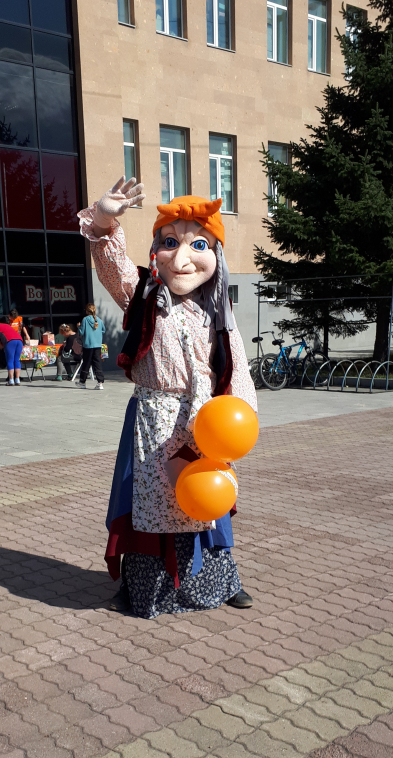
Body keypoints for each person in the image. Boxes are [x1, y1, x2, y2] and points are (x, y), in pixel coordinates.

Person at [78, 176, 258, 619]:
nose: (181, 258)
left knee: (207, 500)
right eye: (170, 243)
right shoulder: (143, 295)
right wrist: (103, 222)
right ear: (156, 249)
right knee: (151, 502)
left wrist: (241, 416)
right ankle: (145, 590)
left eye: (198, 245)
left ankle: (222, 581)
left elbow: (237, 366)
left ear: (216, 255)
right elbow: (112, 267)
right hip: (154, 422)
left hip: (206, 423)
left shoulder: (218, 311)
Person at [75, 304, 105, 389]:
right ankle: (100, 383)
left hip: (88, 345)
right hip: (97, 344)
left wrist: (78, 327)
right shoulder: (99, 320)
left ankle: (82, 382)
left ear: (87, 311)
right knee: (97, 363)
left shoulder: (85, 319)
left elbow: (81, 332)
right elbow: (103, 330)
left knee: (86, 363)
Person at [0, 315, 24, 385]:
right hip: (19, 341)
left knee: (10, 360)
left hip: (10, 341)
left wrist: (0, 346)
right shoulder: (9, 326)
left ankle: (11, 380)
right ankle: (17, 380)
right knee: (17, 360)